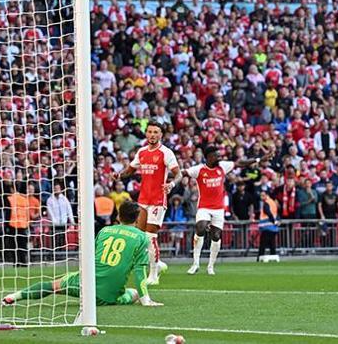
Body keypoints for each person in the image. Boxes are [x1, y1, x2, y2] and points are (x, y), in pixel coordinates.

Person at [2, 201, 162, 307]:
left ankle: (13, 297)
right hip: (108, 295)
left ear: (118, 216)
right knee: (133, 293)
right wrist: (145, 300)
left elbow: (91, 256)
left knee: (53, 286)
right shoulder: (141, 237)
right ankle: (127, 296)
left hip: (85, 283)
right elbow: (140, 272)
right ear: (137, 218)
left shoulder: (105, 230)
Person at [116, 121, 181, 285]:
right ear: (146, 134)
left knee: (150, 236)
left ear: (161, 135)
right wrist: (119, 175)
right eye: (150, 131)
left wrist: (171, 184)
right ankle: (156, 264)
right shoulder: (142, 152)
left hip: (158, 200)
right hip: (143, 199)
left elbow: (178, 174)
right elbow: (130, 170)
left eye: (156, 132)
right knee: (140, 237)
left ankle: (153, 274)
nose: (152, 135)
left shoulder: (166, 153)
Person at [184, 146, 267, 275]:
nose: (219, 157)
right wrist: (165, 173)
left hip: (218, 208)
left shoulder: (223, 166)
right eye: (217, 155)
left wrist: (258, 159)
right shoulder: (199, 169)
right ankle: (195, 263)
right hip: (204, 207)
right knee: (201, 227)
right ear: (209, 157)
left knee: (216, 236)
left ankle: (210, 266)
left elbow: (240, 163)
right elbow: (183, 172)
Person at [257, 191, 279, 261]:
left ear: (267, 195)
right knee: (272, 244)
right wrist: (276, 221)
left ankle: (259, 258)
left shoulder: (266, 203)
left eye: (263, 195)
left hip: (266, 227)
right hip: (273, 227)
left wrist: (273, 221)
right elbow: (275, 213)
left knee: (262, 245)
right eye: (261, 195)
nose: (261, 197)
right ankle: (273, 257)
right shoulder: (272, 202)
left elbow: (268, 213)